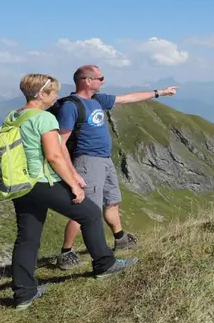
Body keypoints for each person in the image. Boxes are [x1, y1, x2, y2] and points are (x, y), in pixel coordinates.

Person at [7, 73, 137, 310]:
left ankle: (24, 294)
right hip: (41, 181)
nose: (57, 96)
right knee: (89, 213)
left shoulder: (14, 116)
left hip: (19, 185)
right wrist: (74, 184)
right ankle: (105, 265)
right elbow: (54, 155)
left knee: (27, 237)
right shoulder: (43, 119)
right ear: (41, 94)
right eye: (53, 92)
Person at [53, 64, 177, 270]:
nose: (103, 81)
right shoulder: (71, 106)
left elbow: (128, 98)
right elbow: (60, 142)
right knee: (85, 209)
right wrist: (72, 173)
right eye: (100, 78)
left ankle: (120, 239)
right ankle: (66, 253)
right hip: (87, 161)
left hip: (104, 159)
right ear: (87, 80)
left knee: (112, 201)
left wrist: (160, 93)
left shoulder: (97, 100)